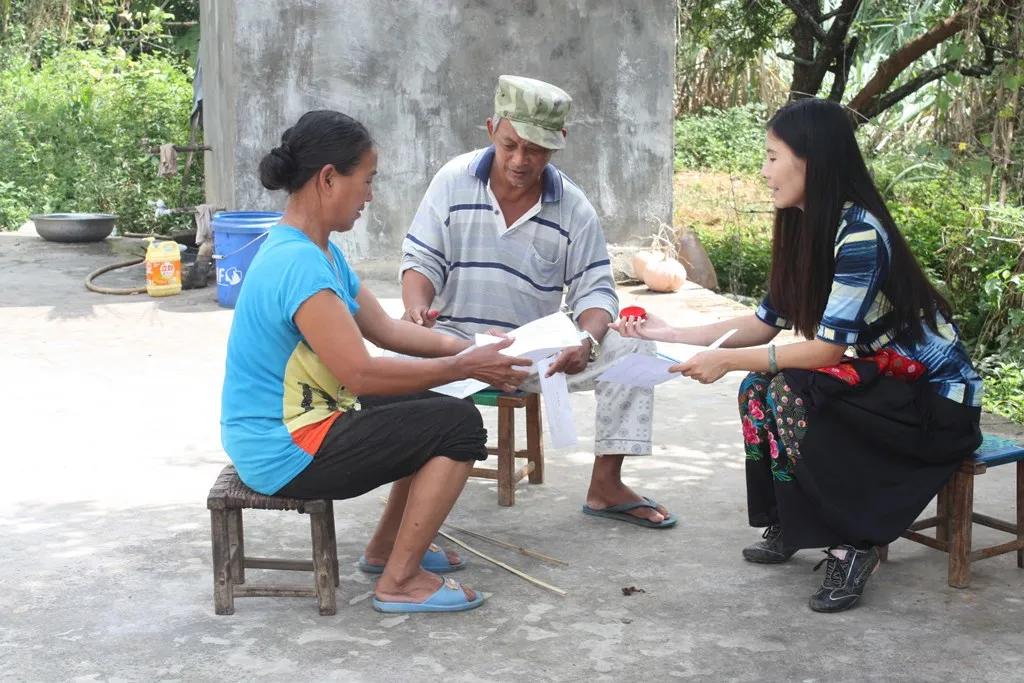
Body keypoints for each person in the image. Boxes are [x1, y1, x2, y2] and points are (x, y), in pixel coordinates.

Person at [612, 98, 983, 612]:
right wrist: (670, 330)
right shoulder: (806, 228)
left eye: (771, 157)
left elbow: (827, 350)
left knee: (788, 390)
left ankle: (853, 545)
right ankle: (791, 521)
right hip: (881, 381)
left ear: (813, 159)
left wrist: (728, 361)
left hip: (933, 401)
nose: (764, 172)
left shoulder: (860, 234)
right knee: (756, 391)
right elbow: (763, 324)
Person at [220, 110, 532, 613]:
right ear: (328, 179)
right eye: (366, 182)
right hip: (284, 448)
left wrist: (471, 347)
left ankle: (388, 549)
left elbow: (386, 329)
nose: (369, 196)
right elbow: (360, 373)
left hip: (301, 423)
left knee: (431, 405)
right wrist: (467, 368)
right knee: (459, 426)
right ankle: (400, 581)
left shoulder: (318, 252)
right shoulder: (298, 265)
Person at [400, 75, 676, 529]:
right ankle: (414, 505)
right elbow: (421, 259)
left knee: (634, 346)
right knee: (402, 351)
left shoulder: (573, 207)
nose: (520, 160)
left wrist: (586, 340)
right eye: (510, 144)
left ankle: (606, 486)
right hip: (457, 344)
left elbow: (596, 290)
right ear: (491, 129)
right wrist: (416, 308)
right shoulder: (452, 181)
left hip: (535, 358)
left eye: (536, 149)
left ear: (559, 143)